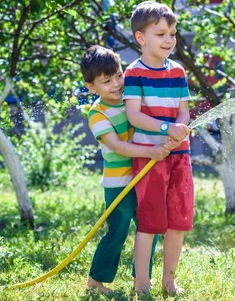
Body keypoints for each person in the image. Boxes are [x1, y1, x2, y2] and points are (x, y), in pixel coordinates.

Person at [80, 45, 169, 294]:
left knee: (148, 228)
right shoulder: (97, 114)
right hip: (118, 183)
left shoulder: (132, 98)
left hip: (144, 177)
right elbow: (118, 146)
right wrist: (150, 152)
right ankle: (95, 283)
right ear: (91, 87)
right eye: (106, 81)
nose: (116, 84)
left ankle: (141, 280)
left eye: (118, 75)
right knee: (117, 232)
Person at [123, 1, 193, 295]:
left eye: (173, 34)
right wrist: (166, 130)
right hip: (150, 157)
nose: (169, 40)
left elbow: (184, 112)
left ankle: (169, 280)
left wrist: (179, 130)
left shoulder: (177, 71)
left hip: (179, 156)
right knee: (150, 221)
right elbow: (134, 115)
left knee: (179, 220)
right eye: (161, 34)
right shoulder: (134, 73)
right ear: (141, 38)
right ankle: (142, 284)